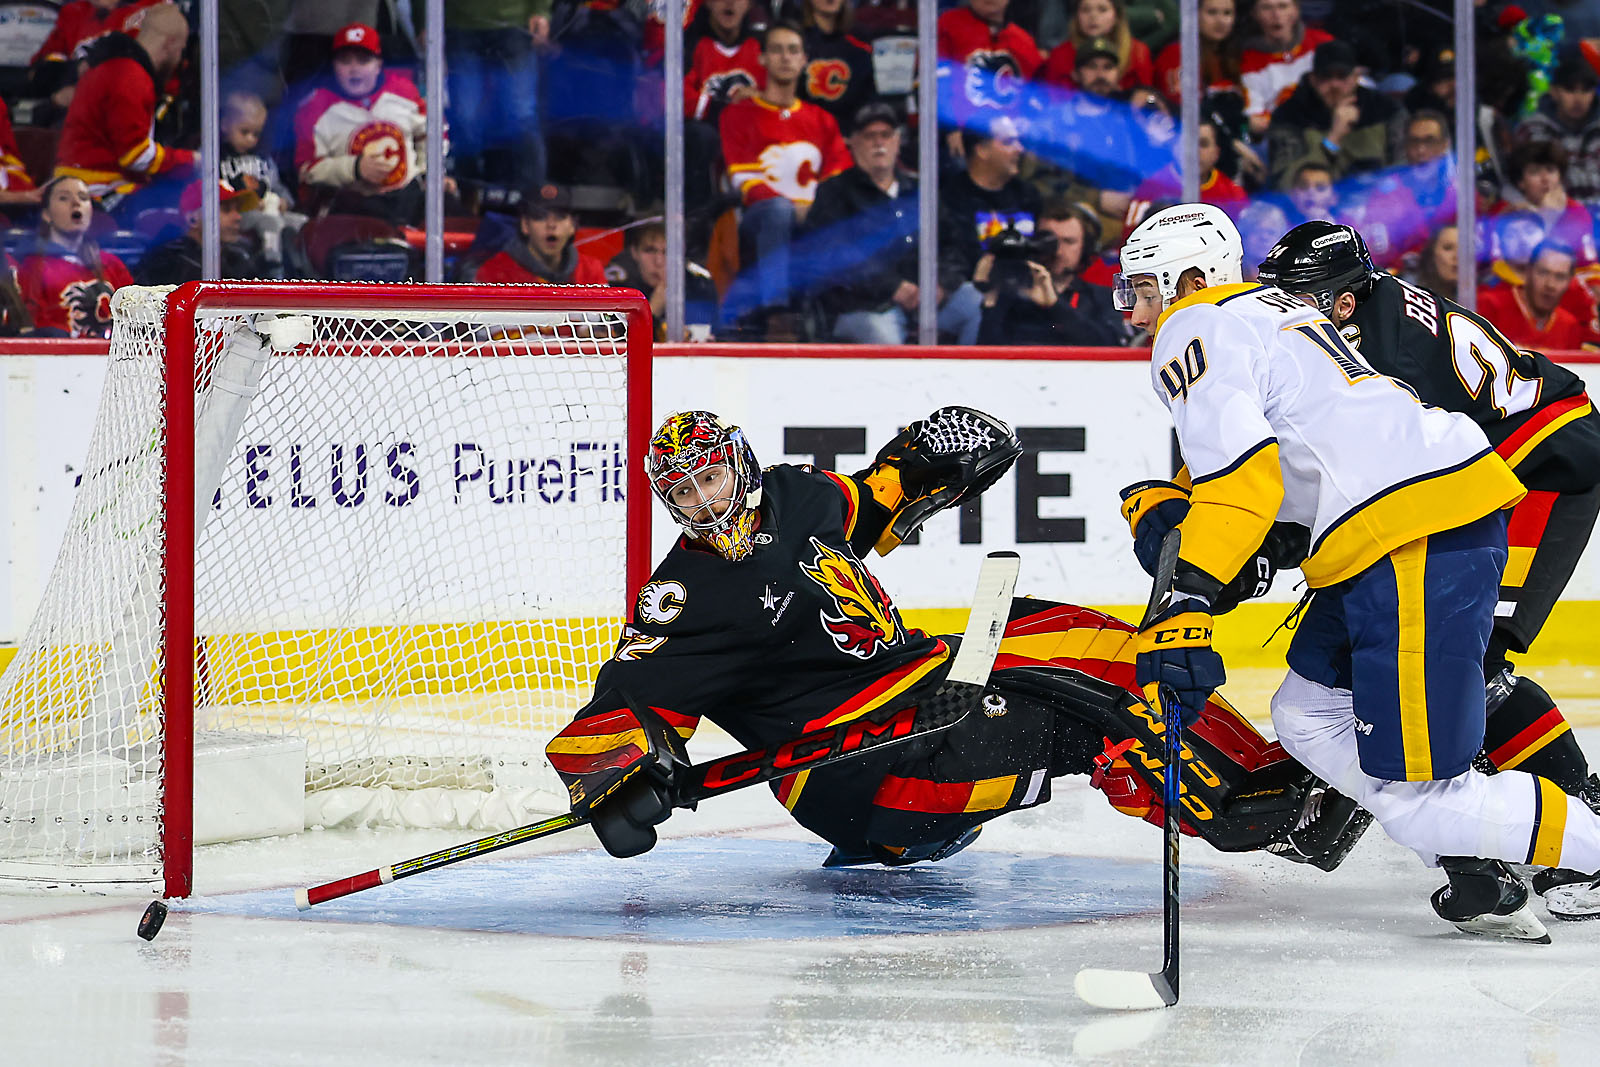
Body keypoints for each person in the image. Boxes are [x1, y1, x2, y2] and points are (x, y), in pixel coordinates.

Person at [544, 406, 1361, 875]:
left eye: (711, 477)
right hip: (862, 773)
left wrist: (931, 461)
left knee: (1105, 643)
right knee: (1087, 713)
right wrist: (620, 783)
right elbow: (620, 706)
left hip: (926, 689)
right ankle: (1266, 820)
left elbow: (872, 499)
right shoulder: (680, 596)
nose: (703, 501)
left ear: (741, 466)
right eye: (683, 491)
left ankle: (1264, 769)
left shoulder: (796, 495)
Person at [1115, 201, 1600, 939]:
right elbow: (1275, 474)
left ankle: (1521, 838)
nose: (1137, 308)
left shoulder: (1194, 324)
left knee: (1430, 780)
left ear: (1188, 279)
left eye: (1145, 289)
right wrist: (1195, 537)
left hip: (1437, 521)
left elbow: (1245, 486)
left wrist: (1190, 593)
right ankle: (1475, 863)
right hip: (1401, 525)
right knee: (1306, 711)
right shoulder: (1270, 310)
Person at [1258, 220, 1600, 918]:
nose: (1283, 313)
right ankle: (1453, 834)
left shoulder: (1386, 354)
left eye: (1301, 298)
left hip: (1536, 473)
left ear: (1345, 302)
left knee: (1471, 660)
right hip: (1473, 479)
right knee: (1382, 655)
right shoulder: (1355, 322)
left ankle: (1581, 806)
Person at [719, 20, 851, 337]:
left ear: (805, 59)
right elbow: (744, 180)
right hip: (758, 220)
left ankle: (839, 314)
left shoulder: (822, 120)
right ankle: (778, 316)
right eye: (776, 50)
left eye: (793, 50)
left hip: (814, 218)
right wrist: (796, 206)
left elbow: (840, 179)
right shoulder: (739, 114)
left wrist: (812, 209)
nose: (785, 57)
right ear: (762, 59)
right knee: (779, 211)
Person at [52, 4, 194, 211]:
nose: (180, 59)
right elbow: (135, 155)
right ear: (170, 45)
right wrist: (191, 160)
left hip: (86, 183)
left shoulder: (116, 67)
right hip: (97, 189)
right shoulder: (131, 76)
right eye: (181, 51)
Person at [803, 101, 921, 344]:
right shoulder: (833, 192)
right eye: (870, 136)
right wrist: (892, 287)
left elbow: (950, 242)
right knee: (886, 337)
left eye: (886, 135)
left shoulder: (919, 191)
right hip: (859, 307)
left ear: (898, 141)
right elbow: (834, 255)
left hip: (925, 300)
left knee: (972, 307)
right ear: (853, 143)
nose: (879, 143)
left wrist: (941, 284)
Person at [293, 22, 432, 224]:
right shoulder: (314, 108)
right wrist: (355, 168)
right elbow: (306, 170)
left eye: (363, 60)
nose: (354, 69)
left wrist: (426, 174)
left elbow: (432, 134)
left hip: (408, 198)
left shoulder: (404, 91)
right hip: (351, 207)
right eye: (345, 61)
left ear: (378, 65)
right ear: (333, 65)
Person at [937, 113, 1037, 346]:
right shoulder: (950, 197)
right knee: (979, 302)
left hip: (1021, 289)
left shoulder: (1028, 196)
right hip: (967, 293)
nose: (1019, 149)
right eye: (1008, 142)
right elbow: (950, 262)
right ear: (981, 150)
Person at [433, 0, 551, 190]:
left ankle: (532, 203)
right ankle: (465, 199)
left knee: (520, 114)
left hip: (515, 22)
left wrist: (540, 9)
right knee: (465, 117)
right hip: (460, 23)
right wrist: (425, 21)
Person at [976, 198, 1125, 345]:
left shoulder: (1101, 298)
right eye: (1048, 241)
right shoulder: (1011, 292)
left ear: (1086, 247)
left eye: (1069, 242)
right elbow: (989, 354)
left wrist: (1055, 305)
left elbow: (1112, 348)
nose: (1058, 251)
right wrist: (990, 297)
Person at [1266, 40, 1400, 190]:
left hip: (1376, 199)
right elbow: (1285, 184)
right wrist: (1332, 140)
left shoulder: (1385, 109)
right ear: (1313, 79)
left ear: (1356, 77)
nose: (1334, 84)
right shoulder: (1288, 116)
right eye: (1326, 77)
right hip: (1315, 206)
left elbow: (1405, 167)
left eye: (1342, 76)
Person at [15, 176, 134, 339]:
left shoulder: (111, 264)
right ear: (46, 214)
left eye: (84, 198)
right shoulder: (33, 266)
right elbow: (32, 328)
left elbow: (136, 317)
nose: (76, 203)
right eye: (64, 198)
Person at [472, 183, 608, 285]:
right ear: (525, 225)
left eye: (560, 217)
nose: (551, 225)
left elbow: (609, 319)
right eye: (540, 217)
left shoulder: (590, 270)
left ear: (573, 225)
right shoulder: (494, 272)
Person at [605, 221, 720, 341]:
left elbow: (715, 331)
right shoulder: (620, 288)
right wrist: (652, 310)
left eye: (667, 252)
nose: (658, 261)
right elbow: (617, 340)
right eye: (649, 251)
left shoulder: (698, 284)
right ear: (634, 253)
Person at [134, 180, 264, 285]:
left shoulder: (240, 258)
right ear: (192, 219)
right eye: (226, 209)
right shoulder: (165, 262)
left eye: (238, 210)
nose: (238, 217)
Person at [1477, 240, 1594, 350]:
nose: (1550, 284)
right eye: (1543, 273)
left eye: (1560, 277)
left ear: (1569, 282)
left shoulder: (1569, 326)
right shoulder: (1490, 306)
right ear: (1528, 272)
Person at [1237, 0, 1332, 136]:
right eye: (1266, 8)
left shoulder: (1323, 43)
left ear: (1296, 10)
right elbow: (1254, 120)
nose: (1276, 14)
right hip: (1282, 136)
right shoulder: (1248, 62)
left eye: (1283, 6)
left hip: (1329, 126)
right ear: (1254, 14)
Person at [1515, 51, 1600, 202]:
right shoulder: (1532, 129)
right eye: (1570, 90)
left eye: (1586, 90)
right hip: (1553, 219)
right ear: (1553, 91)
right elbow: (1524, 183)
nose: (1578, 99)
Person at [1038, 0, 1154, 91]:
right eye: (1085, 10)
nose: (1093, 16)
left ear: (1116, 16)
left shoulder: (1138, 52)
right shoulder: (1060, 55)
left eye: (1102, 9)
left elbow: (1145, 98)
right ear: (1077, 17)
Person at [797, 0, 877, 132]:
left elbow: (868, 98)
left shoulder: (860, 41)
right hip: (803, 133)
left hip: (849, 136)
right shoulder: (795, 41)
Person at [1153, 0, 1240, 107]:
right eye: (1212, 12)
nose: (1220, 21)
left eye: (1227, 13)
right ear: (1194, 14)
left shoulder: (1233, 55)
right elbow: (1181, 106)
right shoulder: (1178, 53)